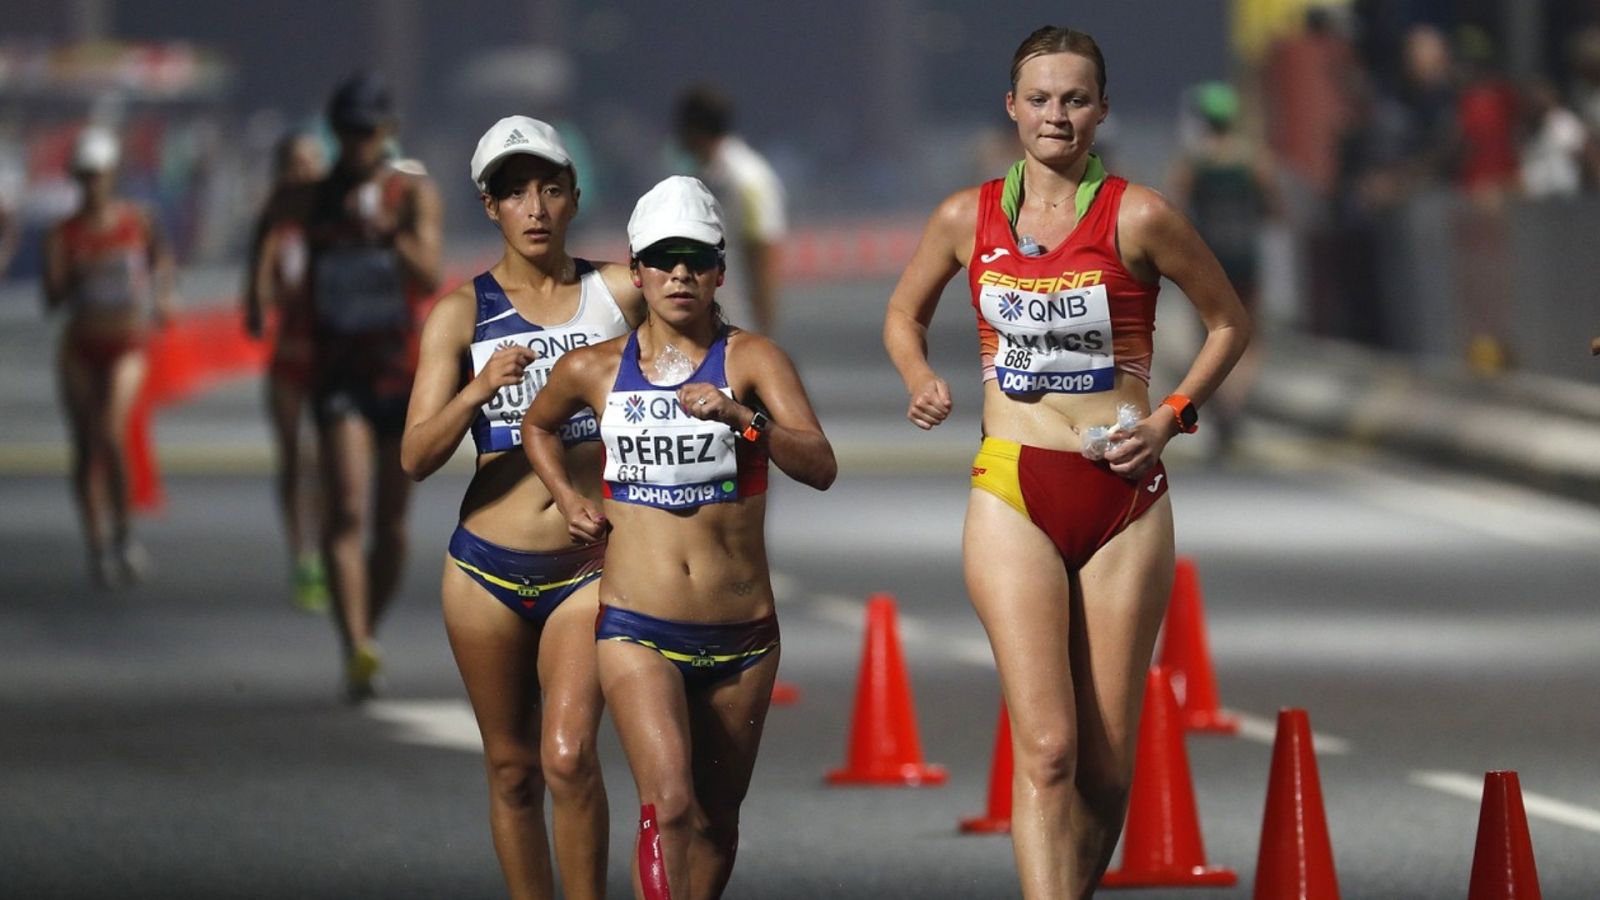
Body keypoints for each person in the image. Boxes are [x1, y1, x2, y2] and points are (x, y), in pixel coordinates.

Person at [882, 27, 1248, 898]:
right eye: (1040, 99)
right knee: (1047, 749)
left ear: (1102, 111)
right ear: (1012, 109)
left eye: (1075, 99)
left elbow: (1230, 322)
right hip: (1014, 484)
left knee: (1107, 770)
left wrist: (1171, 418)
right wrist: (919, 375)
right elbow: (903, 315)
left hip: (1125, 496)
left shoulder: (1142, 214)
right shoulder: (964, 217)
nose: (1057, 115)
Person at [522, 175, 835, 900]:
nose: (681, 275)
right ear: (636, 273)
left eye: (696, 259)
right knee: (671, 804)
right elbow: (537, 425)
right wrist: (568, 497)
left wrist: (742, 418)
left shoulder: (754, 361)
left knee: (718, 823)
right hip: (636, 628)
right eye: (664, 260)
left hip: (742, 638)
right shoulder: (594, 369)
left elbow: (820, 464)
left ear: (720, 271)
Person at [400, 116, 644, 900]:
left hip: (587, 567)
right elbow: (415, 456)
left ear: (574, 197)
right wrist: (478, 388)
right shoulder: (459, 314)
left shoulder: (619, 293)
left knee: (568, 756)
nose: (533, 207)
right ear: (488, 207)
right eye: (514, 193)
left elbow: (710, 346)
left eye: (548, 188)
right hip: (484, 572)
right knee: (512, 770)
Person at [262, 73, 443, 700]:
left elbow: (429, 274)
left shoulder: (411, 195)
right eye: (349, 132)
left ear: (386, 132)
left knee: (392, 527)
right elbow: (270, 218)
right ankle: (357, 646)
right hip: (338, 373)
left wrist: (387, 233)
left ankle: (370, 624)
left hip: (402, 372)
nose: (360, 144)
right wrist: (254, 293)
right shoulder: (311, 198)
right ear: (335, 133)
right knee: (345, 511)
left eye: (370, 132)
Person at [43, 125, 177, 588]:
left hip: (126, 343)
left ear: (111, 174)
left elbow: (162, 259)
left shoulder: (136, 220)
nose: (91, 184)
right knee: (84, 447)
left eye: (97, 175)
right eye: (83, 176)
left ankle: (125, 534)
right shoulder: (64, 234)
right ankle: (96, 542)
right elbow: (51, 298)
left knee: (111, 433)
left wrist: (161, 296)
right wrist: (74, 275)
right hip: (82, 345)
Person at [1168, 81, 1282, 457]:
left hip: (1206, 261)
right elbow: (1276, 208)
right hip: (1245, 257)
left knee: (1207, 337)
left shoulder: (1194, 163)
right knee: (1250, 339)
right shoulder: (1254, 161)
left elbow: (1173, 210)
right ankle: (1234, 405)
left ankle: (1218, 404)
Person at [244, 131, 329, 611]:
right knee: (295, 455)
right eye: (296, 164)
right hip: (291, 356)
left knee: (326, 460)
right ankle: (303, 555)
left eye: (311, 163)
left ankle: (330, 544)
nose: (304, 173)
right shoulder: (278, 224)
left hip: (334, 359)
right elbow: (260, 286)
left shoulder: (339, 221)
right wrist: (258, 298)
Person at [673, 85, 788, 335]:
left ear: (695, 129)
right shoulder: (703, 174)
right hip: (707, 321)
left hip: (739, 326)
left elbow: (762, 256)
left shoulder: (747, 178)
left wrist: (764, 338)